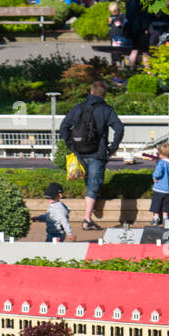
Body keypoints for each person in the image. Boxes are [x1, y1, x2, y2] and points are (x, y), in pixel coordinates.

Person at [59, 80, 124, 230]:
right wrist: (113, 147)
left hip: (79, 151)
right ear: (104, 94)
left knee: (89, 181)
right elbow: (119, 129)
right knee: (93, 184)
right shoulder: (106, 110)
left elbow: (64, 127)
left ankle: (91, 207)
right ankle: (87, 219)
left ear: (91, 92)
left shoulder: (78, 107)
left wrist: (71, 145)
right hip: (98, 152)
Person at [145, 142, 169, 225]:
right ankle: (165, 219)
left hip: (159, 188)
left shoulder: (161, 163)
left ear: (161, 154)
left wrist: (154, 178)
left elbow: (158, 173)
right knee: (166, 205)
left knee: (156, 204)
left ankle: (156, 219)